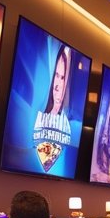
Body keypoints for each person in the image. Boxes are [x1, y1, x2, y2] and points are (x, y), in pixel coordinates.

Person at [31, 43, 73, 172]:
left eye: (62, 77)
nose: (57, 85)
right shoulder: (36, 114)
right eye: (56, 75)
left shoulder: (72, 124)